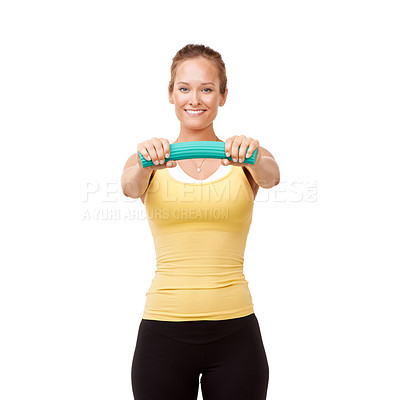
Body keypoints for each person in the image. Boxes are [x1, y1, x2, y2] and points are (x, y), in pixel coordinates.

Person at [121, 44, 280, 400]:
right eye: (184, 88)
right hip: (162, 332)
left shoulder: (246, 156)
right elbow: (130, 187)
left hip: (236, 334)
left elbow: (271, 177)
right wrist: (146, 164)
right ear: (171, 93)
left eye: (207, 88)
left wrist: (250, 155)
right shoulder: (146, 158)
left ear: (223, 96)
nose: (195, 99)